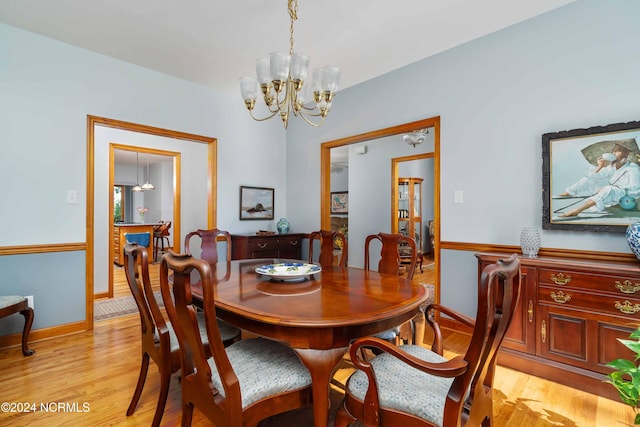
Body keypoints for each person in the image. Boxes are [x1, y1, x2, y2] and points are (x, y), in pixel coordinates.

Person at [558, 143, 640, 217]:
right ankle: (569, 192)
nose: (615, 154)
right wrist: (600, 166)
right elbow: (595, 176)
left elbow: (636, 190)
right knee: (590, 179)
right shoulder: (612, 166)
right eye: (614, 151)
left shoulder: (633, 169)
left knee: (609, 189)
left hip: (622, 195)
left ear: (627, 153)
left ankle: (576, 211)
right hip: (610, 191)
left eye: (618, 151)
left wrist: (612, 188)